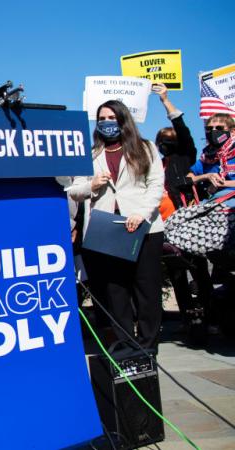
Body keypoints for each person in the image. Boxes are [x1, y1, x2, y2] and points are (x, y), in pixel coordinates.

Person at [68, 100, 165, 351]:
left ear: (122, 119)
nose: (106, 122)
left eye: (111, 117)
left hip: (143, 229)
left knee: (146, 290)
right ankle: (124, 343)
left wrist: (142, 214)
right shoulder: (90, 154)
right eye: (101, 118)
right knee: (115, 291)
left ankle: (148, 346)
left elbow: (155, 186)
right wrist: (92, 185)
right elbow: (75, 190)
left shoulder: (146, 148)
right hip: (106, 230)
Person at [152, 85, 214, 335]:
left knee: (198, 269)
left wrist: (165, 100)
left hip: (187, 221)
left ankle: (210, 315)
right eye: (161, 142)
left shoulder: (184, 157)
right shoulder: (158, 164)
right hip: (166, 225)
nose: (164, 145)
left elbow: (182, 129)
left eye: (168, 142)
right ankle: (188, 318)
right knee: (177, 273)